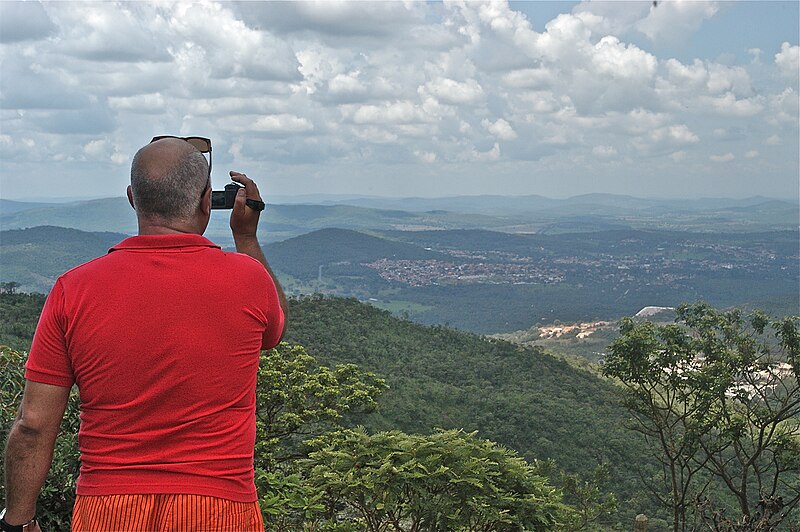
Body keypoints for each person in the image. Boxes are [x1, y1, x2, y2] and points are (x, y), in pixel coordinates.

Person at [2, 137, 287, 531]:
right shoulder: (249, 280)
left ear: (133, 198)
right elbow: (274, 332)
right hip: (220, 506)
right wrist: (247, 238)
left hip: (108, 508)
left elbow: (33, 424)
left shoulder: (74, 289)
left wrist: (18, 521)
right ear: (207, 201)